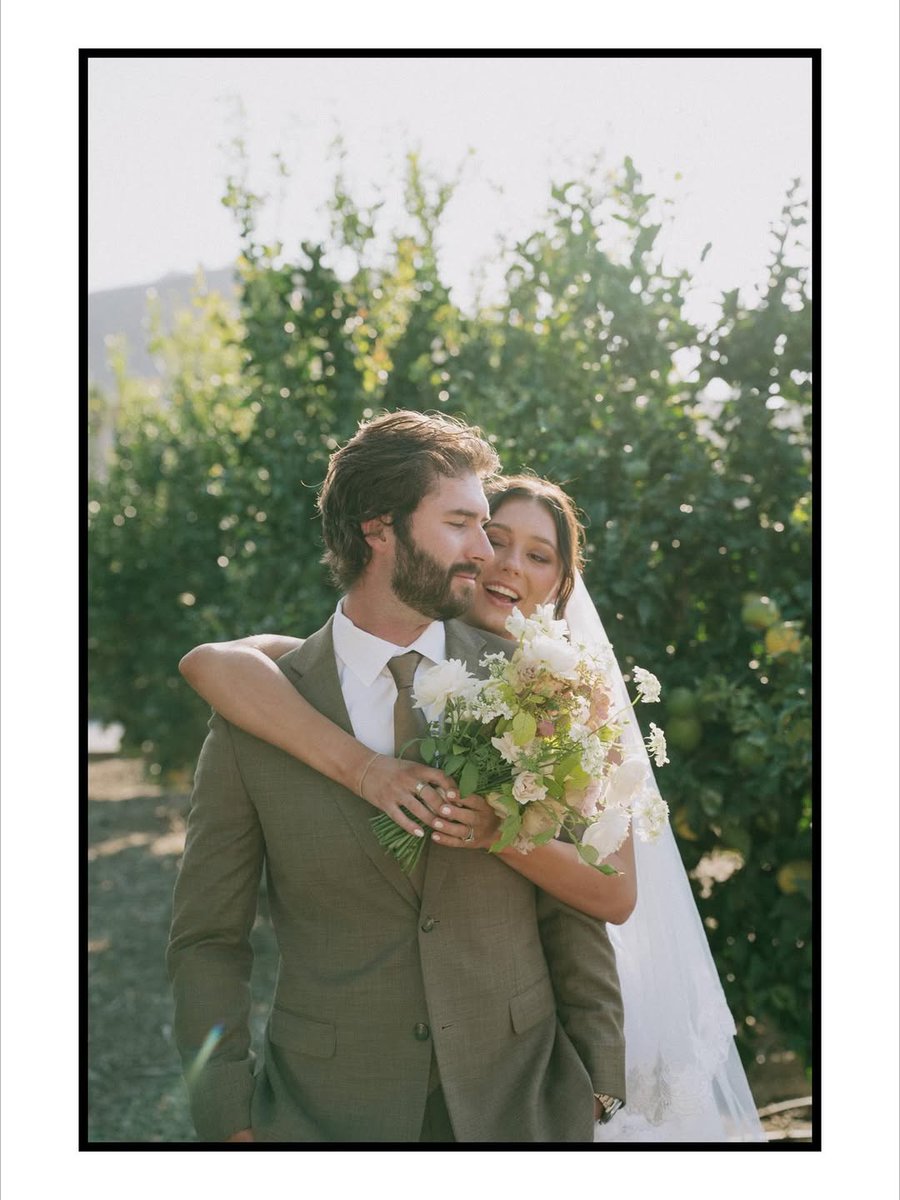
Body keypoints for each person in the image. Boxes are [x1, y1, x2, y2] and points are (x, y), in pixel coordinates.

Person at [179, 463, 766, 1143]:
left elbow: (584, 910)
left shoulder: (554, 700)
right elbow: (207, 936)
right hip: (328, 1111)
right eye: (477, 530)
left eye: (535, 555)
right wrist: (228, 1120)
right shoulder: (270, 699)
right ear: (382, 531)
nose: (494, 560)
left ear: (561, 586)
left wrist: (598, 1087)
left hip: (520, 1103)